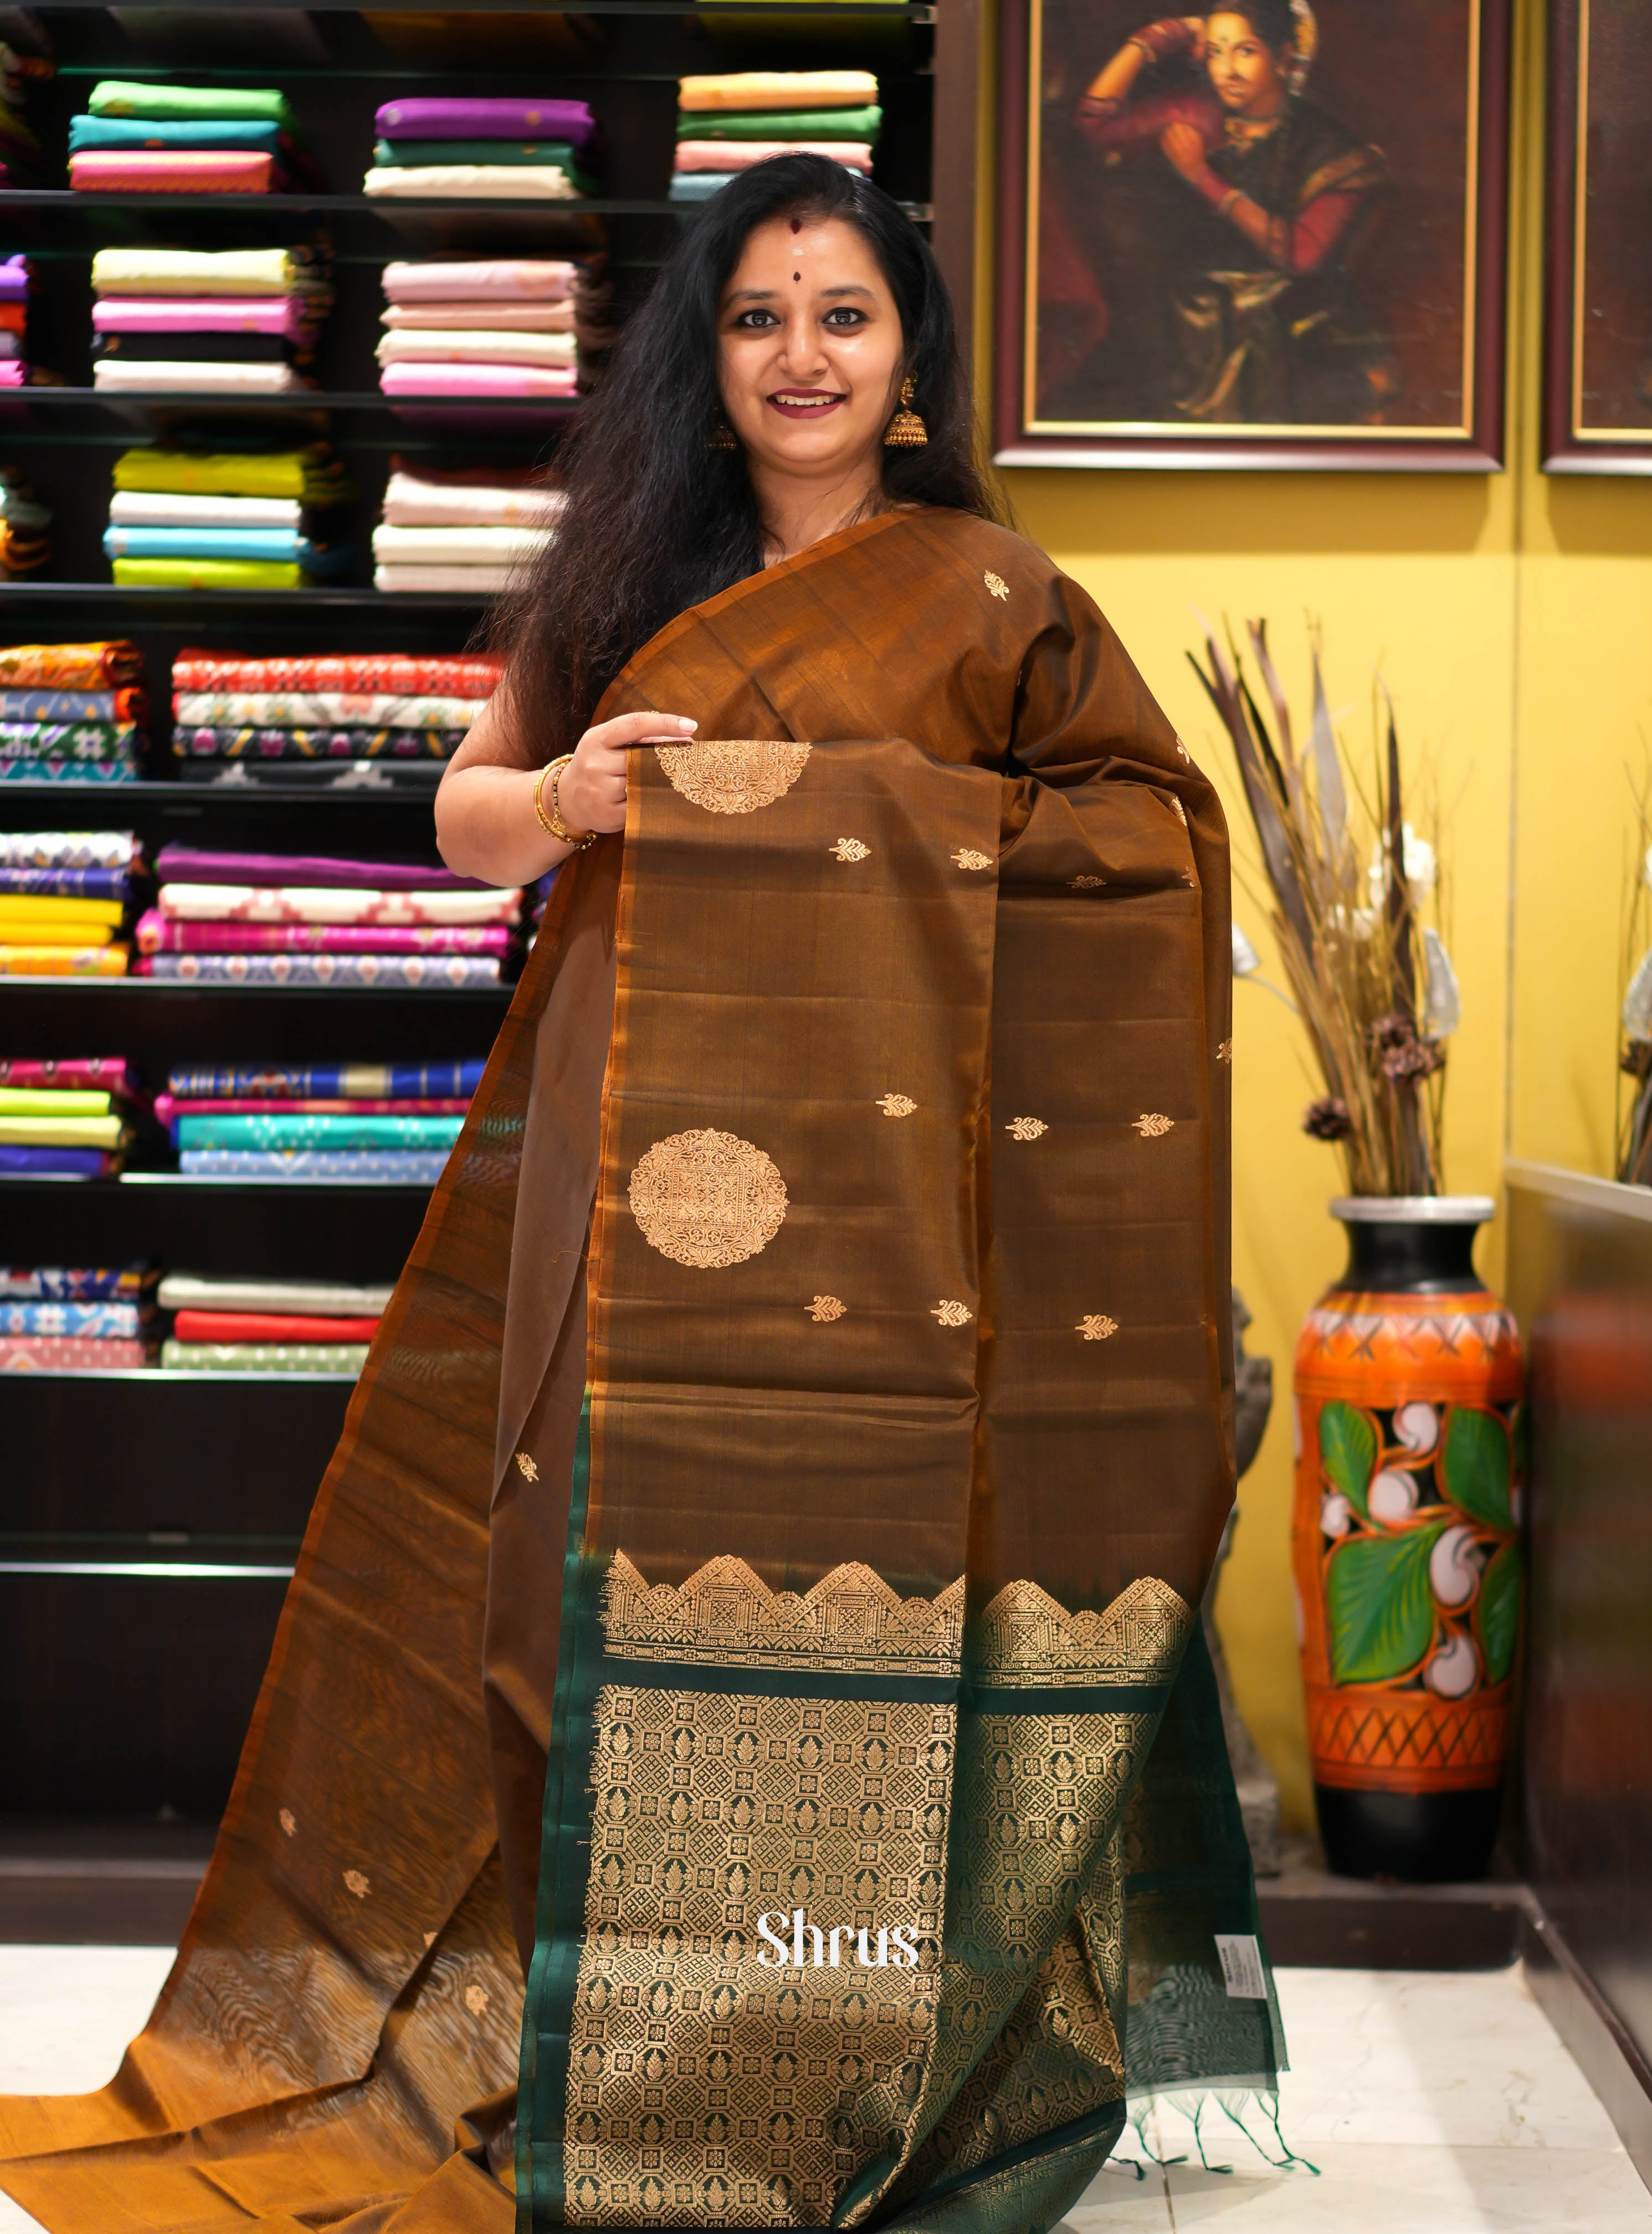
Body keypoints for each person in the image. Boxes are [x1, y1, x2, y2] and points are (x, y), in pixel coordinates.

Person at [0, 155, 1282, 2233]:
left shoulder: (987, 590)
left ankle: (827, 2057)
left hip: (889, 1213)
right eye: (758, 314)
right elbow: (463, 822)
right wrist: (584, 793)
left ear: (906, 352)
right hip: (619, 1158)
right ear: (707, 350)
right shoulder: (619, 569)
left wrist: (867, 822)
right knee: (561, 1599)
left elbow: (1137, 840)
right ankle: (591, 2052)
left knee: (857, 1605)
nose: (799, 354)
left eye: (842, 314)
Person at [1066, 1, 1395, 423]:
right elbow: (1093, 122)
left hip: (1293, 326)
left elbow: (1301, 254)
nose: (1227, 69)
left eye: (1246, 51)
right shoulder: (1196, 112)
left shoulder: (1332, 149)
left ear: (1283, 57)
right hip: (1191, 321)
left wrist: (1202, 177)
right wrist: (1154, 40)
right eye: (1216, 52)